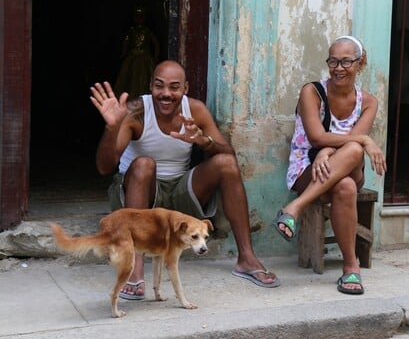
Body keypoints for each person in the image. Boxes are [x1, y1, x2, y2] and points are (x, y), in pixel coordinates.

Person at [90, 60, 280, 300]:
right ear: (151, 86)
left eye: (174, 87)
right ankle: (134, 271)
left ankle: (246, 258)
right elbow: (104, 167)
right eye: (159, 86)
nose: (166, 94)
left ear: (186, 88)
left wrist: (204, 142)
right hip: (139, 197)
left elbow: (228, 153)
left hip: (179, 194)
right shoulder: (135, 111)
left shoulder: (195, 110)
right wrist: (112, 129)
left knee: (226, 164)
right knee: (144, 164)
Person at [274, 36, 387, 295]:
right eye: (333, 61)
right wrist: (332, 146)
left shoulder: (368, 102)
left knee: (355, 152)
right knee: (345, 187)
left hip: (349, 164)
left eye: (346, 61)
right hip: (307, 167)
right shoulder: (311, 92)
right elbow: (315, 136)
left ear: (361, 63)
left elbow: (353, 148)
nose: (338, 68)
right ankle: (351, 268)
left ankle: (295, 208)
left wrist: (330, 149)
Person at [114, 6, 160, 99]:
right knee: (130, 79)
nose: (139, 19)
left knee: (146, 79)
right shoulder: (131, 31)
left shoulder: (148, 31)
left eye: (141, 16)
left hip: (145, 58)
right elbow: (125, 44)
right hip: (132, 58)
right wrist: (123, 54)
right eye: (137, 16)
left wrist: (156, 58)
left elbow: (156, 44)